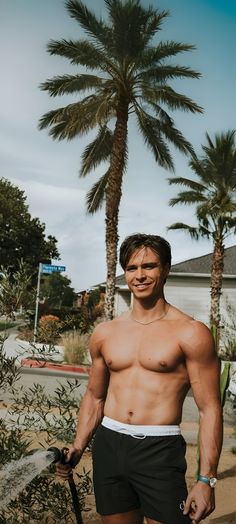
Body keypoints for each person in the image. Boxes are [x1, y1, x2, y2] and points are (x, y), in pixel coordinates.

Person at [57, 233, 223, 524]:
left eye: (149, 266)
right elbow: (95, 397)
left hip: (158, 449)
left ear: (166, 269)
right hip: (109, 444)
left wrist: (206, 480)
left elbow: (210, 408)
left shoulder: (191, 332)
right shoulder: (105, 332)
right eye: (132, 268)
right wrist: (78, 445)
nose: (140, 275)